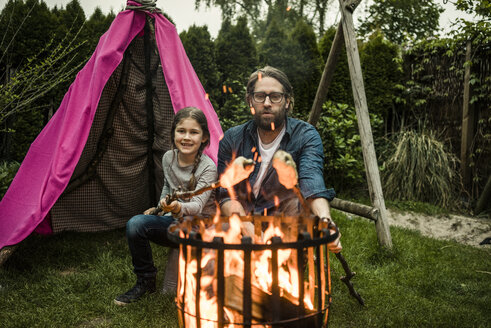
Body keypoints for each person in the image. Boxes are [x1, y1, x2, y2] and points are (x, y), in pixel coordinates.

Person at [217, 66, 341, 251]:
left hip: (286, 220)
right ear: (250, 101)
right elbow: (226, 193)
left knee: (295, 201)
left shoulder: (305, 136)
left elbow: (311, 181)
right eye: (260, 96)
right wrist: (246, 227)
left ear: (287, 102)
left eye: (275, 96)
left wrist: (326, 221)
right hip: (241, 216)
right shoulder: (233, 138)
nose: (267, 103)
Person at [114, 107, 217, 305]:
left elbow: (197, 206)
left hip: (200, 229)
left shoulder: (208, 167)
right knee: (135, 225)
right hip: (175, 221)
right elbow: (168, 187)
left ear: (204, 138)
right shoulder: (168, 157)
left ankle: (193, 284)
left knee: (186, 223)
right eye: (181, 131)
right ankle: (145, 280)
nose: (186, 137)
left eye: (194, 132)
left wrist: (178, 208)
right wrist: (160, 207)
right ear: (173, 133)